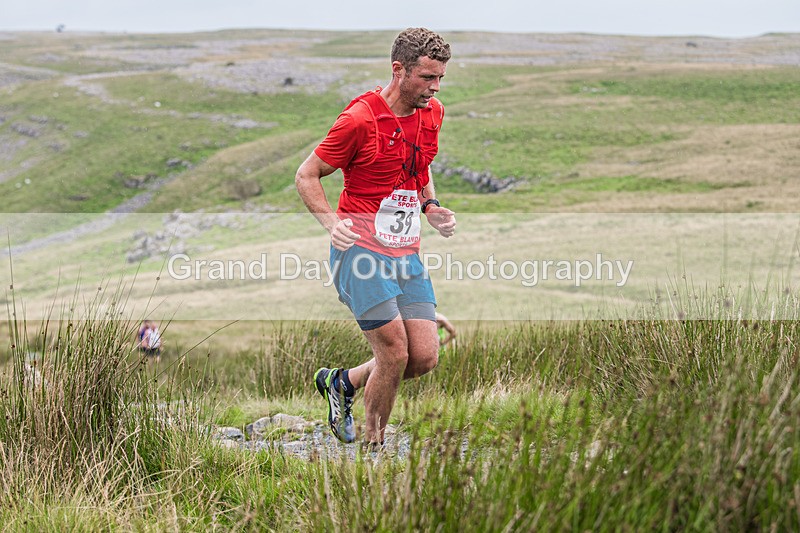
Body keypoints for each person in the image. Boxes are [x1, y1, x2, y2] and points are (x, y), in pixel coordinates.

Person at [295, 28, 456, 448]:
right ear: (398, 69)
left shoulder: (432, 113)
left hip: (407, 254)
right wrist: (332, 224)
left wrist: (430, 205)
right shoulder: (359, 119)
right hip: (361, 252)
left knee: (423, 357)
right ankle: (373, 446)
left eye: (440, 78)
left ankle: (341, 383)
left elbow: (419, 167)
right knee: (394, 354)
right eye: (427, 77)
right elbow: (306, 175)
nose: (434, 87)